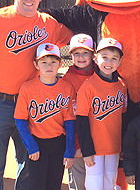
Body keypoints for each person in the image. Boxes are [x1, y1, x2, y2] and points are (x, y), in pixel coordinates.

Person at [0, 0, 72, 190]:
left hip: (34, 105)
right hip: (1, 102)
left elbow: (74, 39)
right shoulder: (2, 19)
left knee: (29, 164)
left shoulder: (48, 24)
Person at [14, 43, 75, 190]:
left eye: (53, 62)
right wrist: (31, 146)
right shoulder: (27, 88)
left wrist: (70, 149)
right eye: (44, 62)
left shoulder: (66, 88)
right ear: (36, 64)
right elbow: (20, 119)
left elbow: (70, 121)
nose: (49, 66)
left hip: (58, 143)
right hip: (37, 143)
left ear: (60, 63)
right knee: (37, 185)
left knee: (54, 184)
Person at [76, 37, 127, 190]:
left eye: (114, 58)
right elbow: (81, 120)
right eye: (104, 57)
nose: (109, 62)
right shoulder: (88, 86)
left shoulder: (122, 85)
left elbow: (123, 118)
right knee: (94, 185)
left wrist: (123, 146)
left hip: (114, 146)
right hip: (95, 149)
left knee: (109, 183)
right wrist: (87, 150)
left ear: (119, 62)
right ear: (96, 59)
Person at [63, 34, 95, 190]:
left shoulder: (102, 75)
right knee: (78, 183)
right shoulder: (66, 81)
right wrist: (75, 144)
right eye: (77, 53)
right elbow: (68, 117)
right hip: (76, 141)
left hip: (98, 140)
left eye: (85, 53)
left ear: (93, 55)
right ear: (71, 56)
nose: (81, 57)